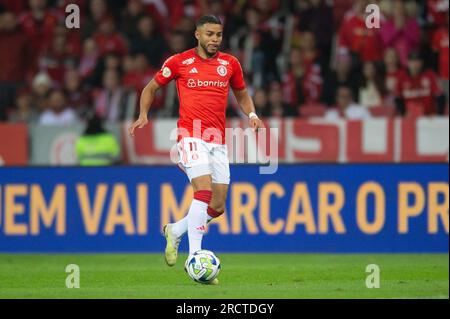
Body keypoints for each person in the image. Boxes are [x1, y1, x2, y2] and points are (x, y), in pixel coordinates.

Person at [128, 15, 264, 284]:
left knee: (218, 204)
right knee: (203, 191)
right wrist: (144, 114)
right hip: (190, 135)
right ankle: (196, 256)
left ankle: (175, 230)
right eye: (210, 34)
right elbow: (151, 87)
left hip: (217, 140)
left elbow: (242, 94)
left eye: (219, 35)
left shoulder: (230, 64)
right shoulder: (179, 62)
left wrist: (252, 115)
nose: (215, 39)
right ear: (198, 35)